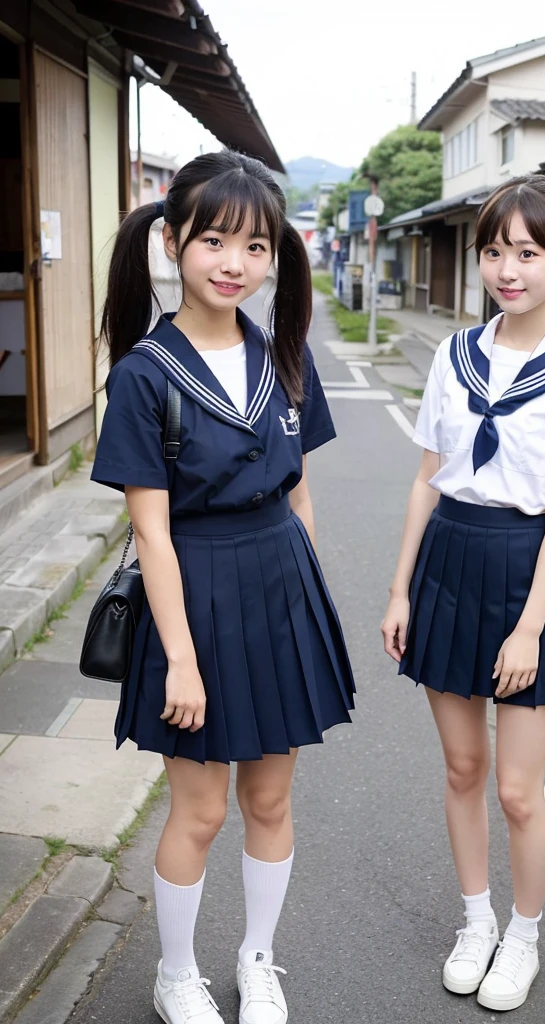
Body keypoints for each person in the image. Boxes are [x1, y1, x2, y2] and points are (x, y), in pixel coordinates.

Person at [91, 149, 355, 1024]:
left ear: (275, 254)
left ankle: (258, 959)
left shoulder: (283, 353)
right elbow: (152, 531)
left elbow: (300, 494)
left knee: (271, 798)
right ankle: (176, 974)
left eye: (254, 245)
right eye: (213, 240)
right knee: (200, 813)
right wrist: (181, 660)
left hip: (281, 588)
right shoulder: (143, 375)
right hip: (194, 596)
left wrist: (307, 603)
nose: (234, 262)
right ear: (171, 243)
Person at [381, 174, 545, 1013]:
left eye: (528, 252)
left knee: (519, 788)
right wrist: (400, 588)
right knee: (462, 766)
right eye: (494, 251)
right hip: (449, 558)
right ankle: (474, 921)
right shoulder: (454, 356)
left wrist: (529, 628)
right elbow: (426, 479)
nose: (507, 269)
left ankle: (523, 937)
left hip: (527, 572)